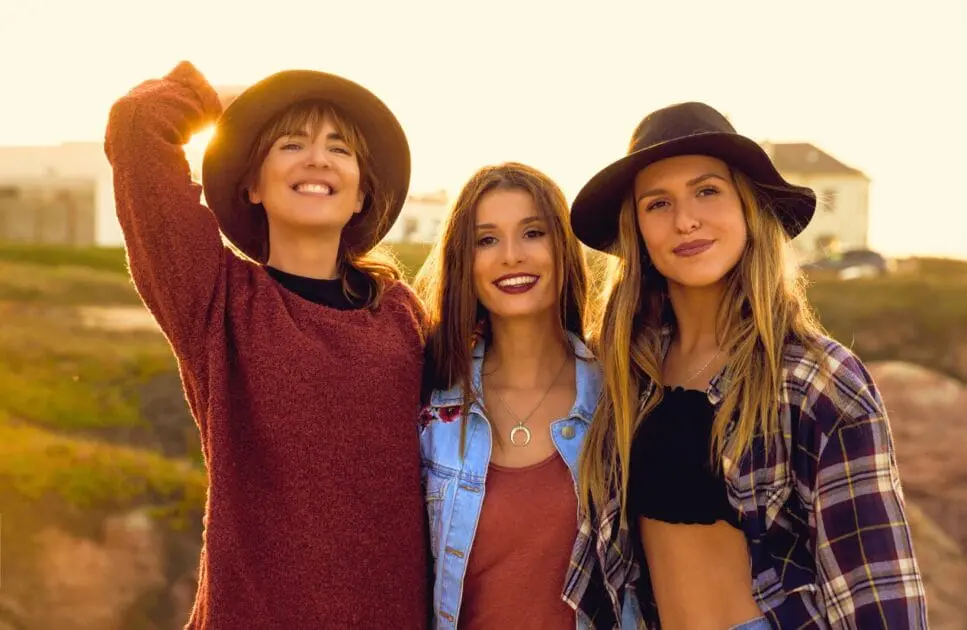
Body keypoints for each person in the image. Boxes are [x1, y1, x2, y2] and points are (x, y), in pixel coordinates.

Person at [568, 102, 927, 629]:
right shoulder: (625, 372)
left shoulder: (817, 379)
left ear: (746, 207)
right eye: (658, 203)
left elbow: (877, 592)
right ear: (637, 230)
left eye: (707, 191)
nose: (686, 219)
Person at [105, 61, 428, 629]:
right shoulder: (217, 298)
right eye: (291, 143)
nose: (317, 158)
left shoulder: (399, 313)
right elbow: (136, 126)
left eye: (340, 148)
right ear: (251, 185)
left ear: (361, 195)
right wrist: (228, 100)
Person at [414, 163, 635, 629]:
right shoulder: (430, 408)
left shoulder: (620, 397)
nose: (511, 255)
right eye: (487, 239)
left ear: (561, 248)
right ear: (463, 260)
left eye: (532, 233)